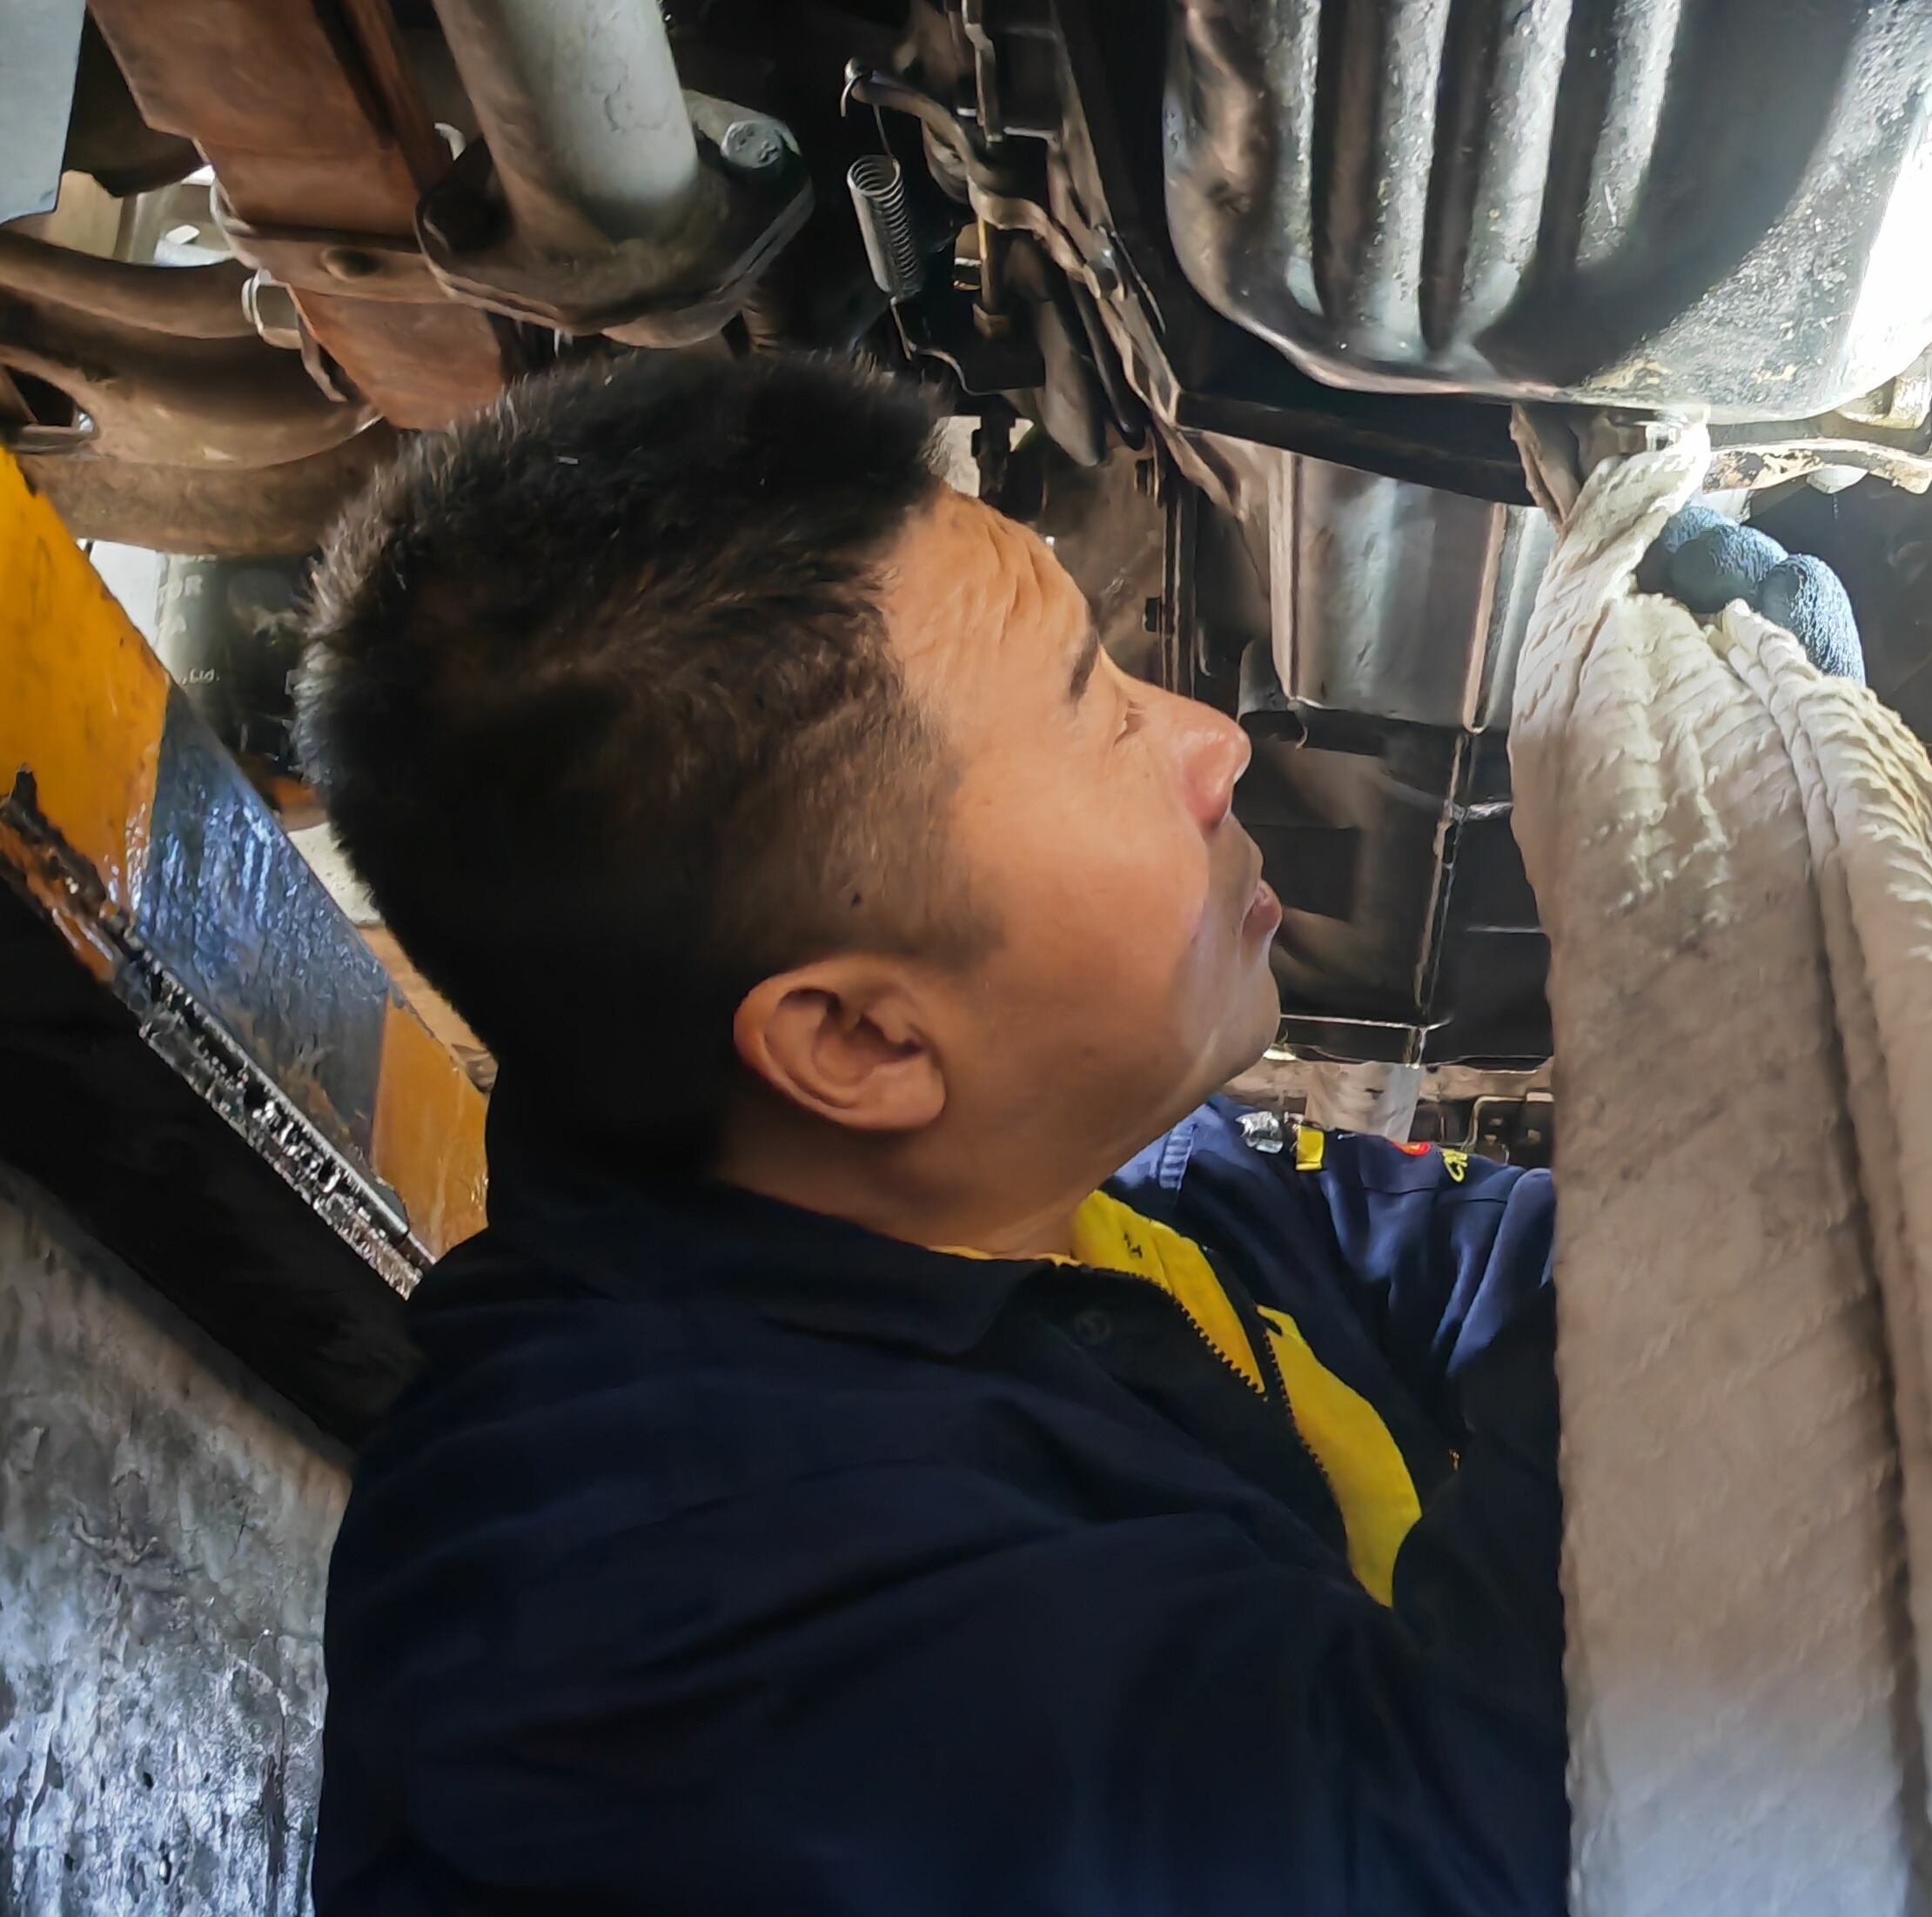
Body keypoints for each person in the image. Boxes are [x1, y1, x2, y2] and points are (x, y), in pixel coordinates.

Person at [297, 352, 1590, 1914]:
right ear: (859, 1042)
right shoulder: (659, 1608)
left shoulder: (1068, 1187)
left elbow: (1511, 1263)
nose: (1213, 740)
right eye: (1098, 718)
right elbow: (1474, 1861)